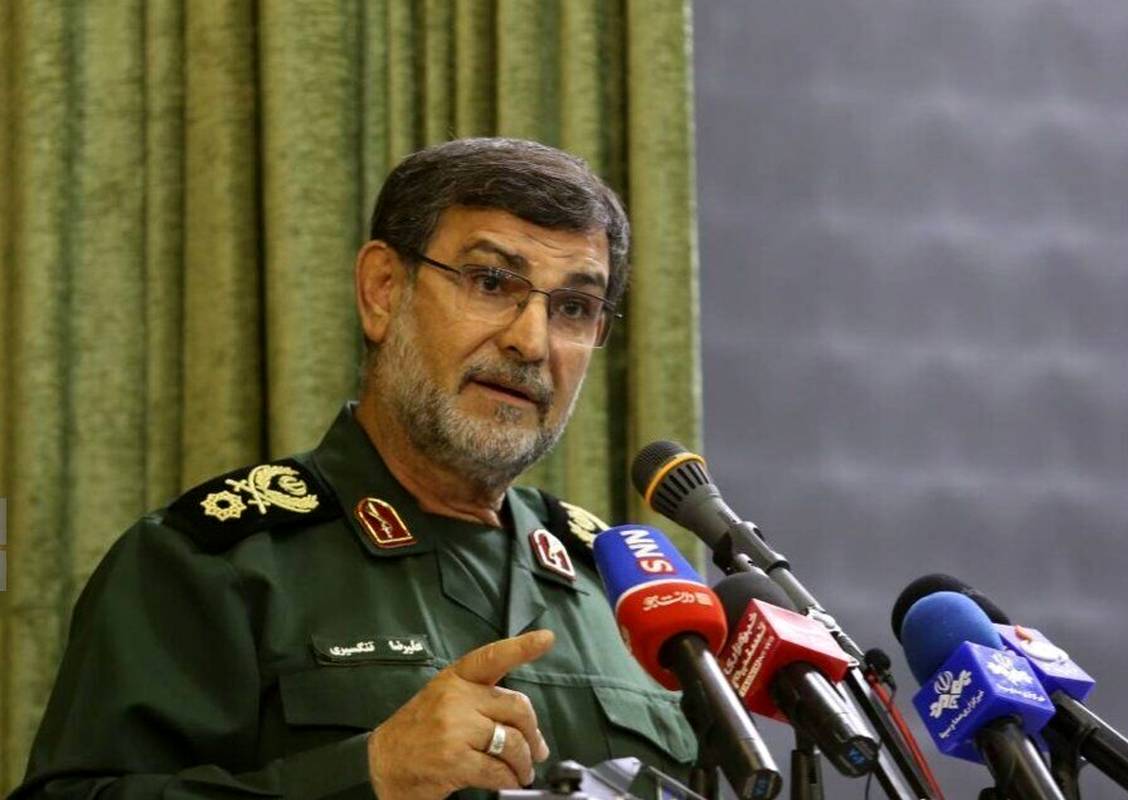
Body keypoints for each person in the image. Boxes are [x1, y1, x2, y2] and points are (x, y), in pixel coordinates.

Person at [12, 138, 697, 800]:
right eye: (491, 282)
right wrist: (371, 774)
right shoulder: (214, 563)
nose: (532, 341)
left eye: (574, 307)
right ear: (382, 290)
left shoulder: (627, 597)